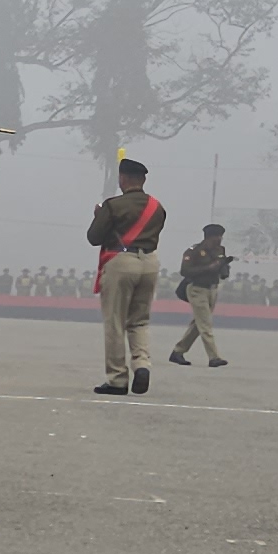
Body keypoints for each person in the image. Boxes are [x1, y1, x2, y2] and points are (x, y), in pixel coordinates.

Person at [87, 157, 169, 394]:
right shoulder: (157, 207)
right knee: (139, 320)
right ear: (142, 180)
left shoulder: (113, 206)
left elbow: (94, 237)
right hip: (150, 263)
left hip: (121, 263)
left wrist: (99, 216)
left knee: (115, 322)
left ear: (122, 178)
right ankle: (142, 364)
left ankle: (117, 378)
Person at [170, 223, 234, 366]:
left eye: (221, 236)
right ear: (208, 237)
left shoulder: (220, 250)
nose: (220, 239)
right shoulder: (194, 251)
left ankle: (178, 352)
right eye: (217, 236)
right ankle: (214, 358)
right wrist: (208, 268)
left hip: (212, 289)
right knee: (205, 324)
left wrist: (223, 268)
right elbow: (185, 271)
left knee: (198, 324)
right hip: (197, 289)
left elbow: (221, 266)